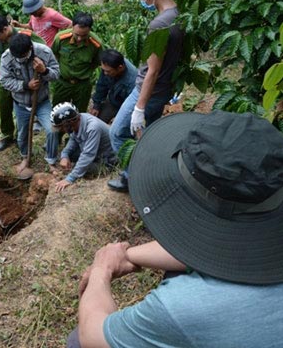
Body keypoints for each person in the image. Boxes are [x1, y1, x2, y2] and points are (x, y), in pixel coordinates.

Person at [68, 111, 283, 348]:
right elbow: (221, 251)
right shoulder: (262, 209)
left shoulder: (183, 307)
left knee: (75, 341)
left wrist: (101, 270)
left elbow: (92, 335)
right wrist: (127, 256)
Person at [108, 0, 184, 193]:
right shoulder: (180, 15)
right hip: (163, 90)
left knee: (118, 133)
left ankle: (135, 177)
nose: (142, 1)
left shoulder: (159, 24)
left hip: (147, 91)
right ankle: (147, 174)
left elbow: (152, 70)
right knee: (147, 135)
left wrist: (139, 107)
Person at [0, 15, 46, 152]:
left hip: (25, 81)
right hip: (5, 80)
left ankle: (20, 137)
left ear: (5, 29)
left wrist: (39, 66)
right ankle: (7, 136)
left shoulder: (26, 36)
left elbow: (44, 49)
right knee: (5, 109)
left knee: (22, 109)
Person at [0, 33, 60, 172]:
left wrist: (44, 71)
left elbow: (56, 74)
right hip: (21, 103)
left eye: (24, 57)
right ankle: (25, 157)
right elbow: (4, 81)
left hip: (42, 101)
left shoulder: (44, 52)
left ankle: (51, 160)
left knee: (52, 130)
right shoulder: (7, 57)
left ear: (30, 48)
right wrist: (26, 85)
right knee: (22, 134)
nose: (20, 60)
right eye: (18, 58)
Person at [50, 103, 116, 193]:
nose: (62, 131)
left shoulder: (92, 128)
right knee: (71, 155)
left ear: (68, 124)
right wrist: (64, 155)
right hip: (96, 153)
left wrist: (69, 179)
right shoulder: (77, 121)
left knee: (82, 166)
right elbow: (73, 140)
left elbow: (87, 155)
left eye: (61, 128)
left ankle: (99, 169)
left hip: (107, 162)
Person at [50, 12, 103, 110]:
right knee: (58, 111)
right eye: (77, 34)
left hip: (83, 85)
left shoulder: (96, 44)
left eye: (84, 35)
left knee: (80, 114)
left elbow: (97, 62)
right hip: (63, 82)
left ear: (90, 30)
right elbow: (54, 55)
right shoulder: (61, 39)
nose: (79, 39)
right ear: (72, 27)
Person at [90, 50, 137, 123]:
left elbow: (132, 105)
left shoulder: (133, 80)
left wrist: (120, 117)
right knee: (96, 122)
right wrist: (97, 105)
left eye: (108, 71)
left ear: (120, 68)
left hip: (128, 106)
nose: (105, 73)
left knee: (119, 130)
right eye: (103, 70)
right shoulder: (108, 66)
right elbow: (102, 86)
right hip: (114, 101)